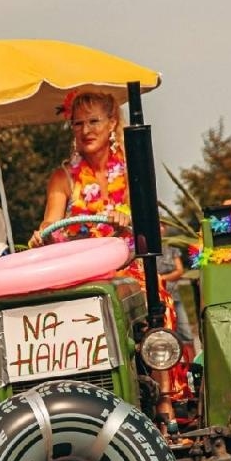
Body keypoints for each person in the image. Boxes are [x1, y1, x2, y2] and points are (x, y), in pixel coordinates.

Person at [31, 89, 190, 422]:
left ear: (112, 122)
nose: (86, 130)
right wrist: (42, 232)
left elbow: (147, 218)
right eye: (77, 124)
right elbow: (51, 219)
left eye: (93, 121)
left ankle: (163, 396)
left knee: (155, 293)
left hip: (127, 267)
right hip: (83, 272)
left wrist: (127, 219)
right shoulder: (63, 178)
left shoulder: (132, 170)